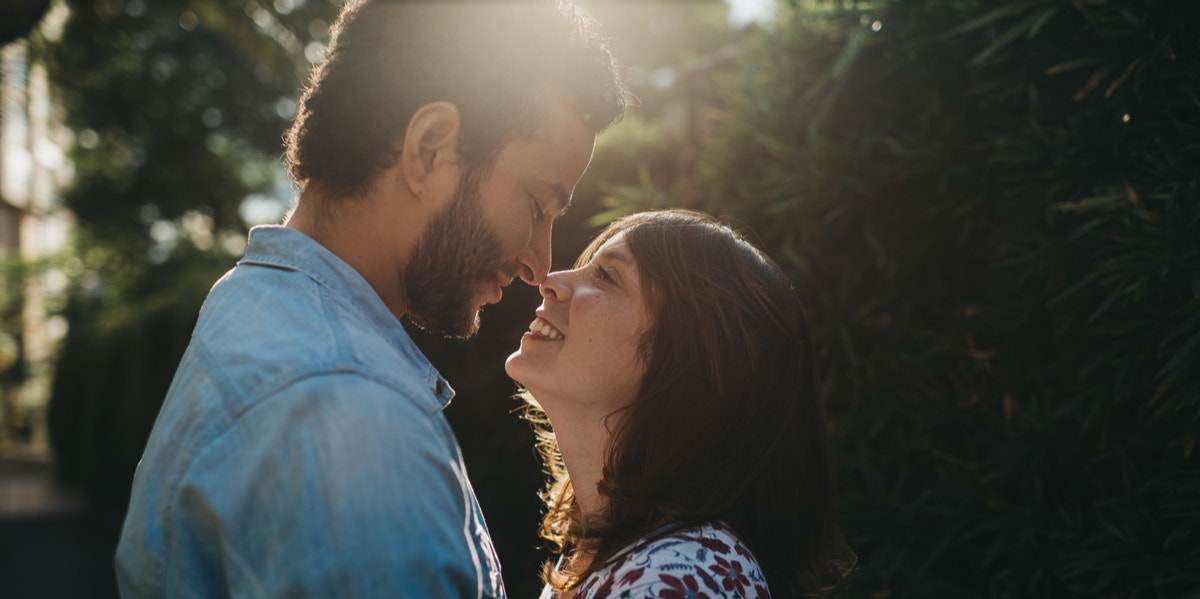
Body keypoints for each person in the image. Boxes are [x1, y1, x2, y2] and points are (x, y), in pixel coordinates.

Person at [115, 1, 626, 597]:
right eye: (538, 205)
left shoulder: (252, 305)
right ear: (430, 149)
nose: (539, 262)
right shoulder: (351, 413)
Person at [505, 210, 855, 598]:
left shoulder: (682, 577)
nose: (550, 281)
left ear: (684, 362)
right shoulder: (641, 562)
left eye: (606, 276)